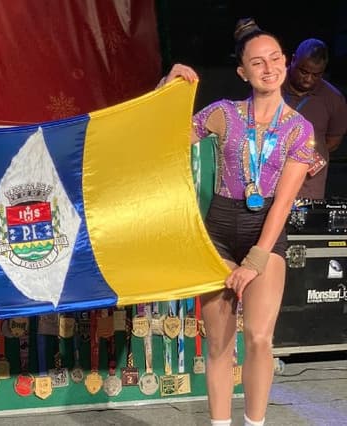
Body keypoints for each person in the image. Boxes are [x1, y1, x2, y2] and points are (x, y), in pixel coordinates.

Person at [160, 18, 315, 426]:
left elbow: (282, 205)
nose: (269, 68)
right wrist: (166, 87)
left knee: (260, 339)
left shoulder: (300, 130)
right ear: (243, 72)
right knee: (219, 344)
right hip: (218, 231)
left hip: (264, 230)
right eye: (258, 62)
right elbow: (161, 137)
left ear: (286, 63)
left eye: (276, 58)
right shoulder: (222, 114)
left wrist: (256, 261)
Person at [282, 38, 347, 199]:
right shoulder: (271, 85)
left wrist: (302, 154)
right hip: (268, 178)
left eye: (316, 75)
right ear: (293, 59)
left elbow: (333, 141)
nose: (309, 79)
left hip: (308, 186)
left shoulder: (333, 98)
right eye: (303, 71)